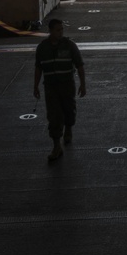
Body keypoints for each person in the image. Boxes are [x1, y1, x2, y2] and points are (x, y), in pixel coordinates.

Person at [33, 18, 86, 162]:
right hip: (51, 86)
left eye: (62, 29)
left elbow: (79, 65)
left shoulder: (69, 46)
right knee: (54, 115)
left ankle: (68, 127)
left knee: (69, 109)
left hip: (67, 84)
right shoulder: (43, 48)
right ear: (50, 31)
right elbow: (38, 68)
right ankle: (56, 146)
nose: (60, 32)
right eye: (58, 30)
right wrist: (35, 86)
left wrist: (83, 84)